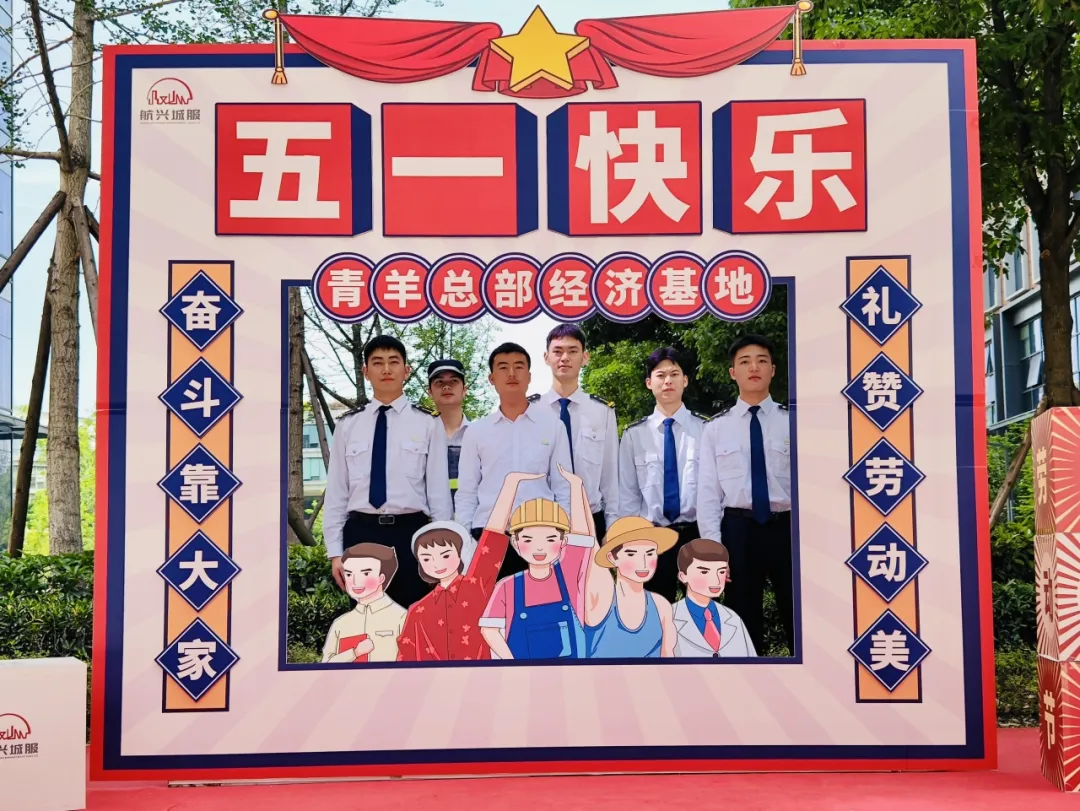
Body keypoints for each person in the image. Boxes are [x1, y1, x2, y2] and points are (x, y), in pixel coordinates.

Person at [322, 335, 455, 609]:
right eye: (377, 362)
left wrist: (442, 552)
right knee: (366, 621)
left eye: (393, 362)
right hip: (361, 534)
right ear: (365, 371)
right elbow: (336, 493)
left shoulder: (427, 424)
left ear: (406, 370)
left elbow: (439, 495)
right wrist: (335, 552)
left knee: (414, 619)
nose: (386, 369)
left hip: (412, 535)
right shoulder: (348, 426)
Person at [697, 334, 793, 656]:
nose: (754, 367)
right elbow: (708, 494)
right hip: (738, 531)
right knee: (742, 616)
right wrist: (714, 550)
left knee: (797, 612)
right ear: (732, 372)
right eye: (745, 362)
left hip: (787, 529)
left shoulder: (793, 422)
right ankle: (748, 680)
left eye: (762, 361)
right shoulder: (715, 428)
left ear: (773, 370)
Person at [456, 342, 573, 582]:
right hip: (488, 536)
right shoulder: (476, 432)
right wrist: (465, 542)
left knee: (540, 603)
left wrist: (565, 536)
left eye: (518, 367)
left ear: (529, 376)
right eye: (503, 367)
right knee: (489, 605)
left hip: (540, 535)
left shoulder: (552, 427)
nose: (511, 373)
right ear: (491, 378)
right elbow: (467, 491)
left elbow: (563, 487)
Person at [397, 472, 543, 662]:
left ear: (460, 555)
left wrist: (510, 486)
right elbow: (406, 658)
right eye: (427, 558)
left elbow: (492, 537)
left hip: (483, 676)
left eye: (445, 555)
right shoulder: (417, 611)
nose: (437, 563)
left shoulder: (476, 585)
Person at [618, 347, 707, 603]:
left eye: (674, 374)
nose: (668, 381)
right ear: (649, 383)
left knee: (700, 611)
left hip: (696, 533)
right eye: (660, 375)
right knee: (655, 611)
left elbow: (715, 492)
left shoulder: (706, 429)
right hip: (652, 537)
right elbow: (628, 494)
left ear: (685, 380)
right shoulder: (634, 435)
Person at [479, 466, 596, 661]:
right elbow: (489, 630)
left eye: (550, 539)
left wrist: (575, 487)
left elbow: (581, 537)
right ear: (515, 542)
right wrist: (513, 663)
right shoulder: (507, 587)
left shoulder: (568, 574)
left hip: (571, 673)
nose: (539, 548)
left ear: (564, 541)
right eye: (528, 540)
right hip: (524, 675)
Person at [531, 324, 619, 540]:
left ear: (585, 357)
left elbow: (611, 475)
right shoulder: (530, 410)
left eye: (572, 351)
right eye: (557, 351)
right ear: (546, 357)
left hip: (591, 519)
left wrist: (613, 526)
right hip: (541, 522)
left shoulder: (602, 411)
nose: (564, 358)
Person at [583, 516, 678, 658]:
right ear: (612, 558)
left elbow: (668, 659)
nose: (643, 562)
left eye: (650, 553)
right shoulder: (601, 600)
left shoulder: (661, 606)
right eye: (632, 554)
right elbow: (586, 536)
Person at [320, 543, 407, 663]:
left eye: (365, 573)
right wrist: (354, 653)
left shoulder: (402, 618)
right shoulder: (340, 624)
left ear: (381, 578)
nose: (355, 581)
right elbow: (326, 665)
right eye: (349, 574)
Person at [672, 539, 756, 658]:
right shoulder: (667, 619)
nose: (715, 580)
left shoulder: (734, 618)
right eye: (704, 572)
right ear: (683, 576)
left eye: (721, 572)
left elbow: (751, 661)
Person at [427, 358, 470, 509]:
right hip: (429, 520)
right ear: (429, 391)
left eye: (454, 381)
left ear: (464, 390)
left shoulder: (480, 434)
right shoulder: (419, 436)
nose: (446, 386)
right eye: (439, 382)